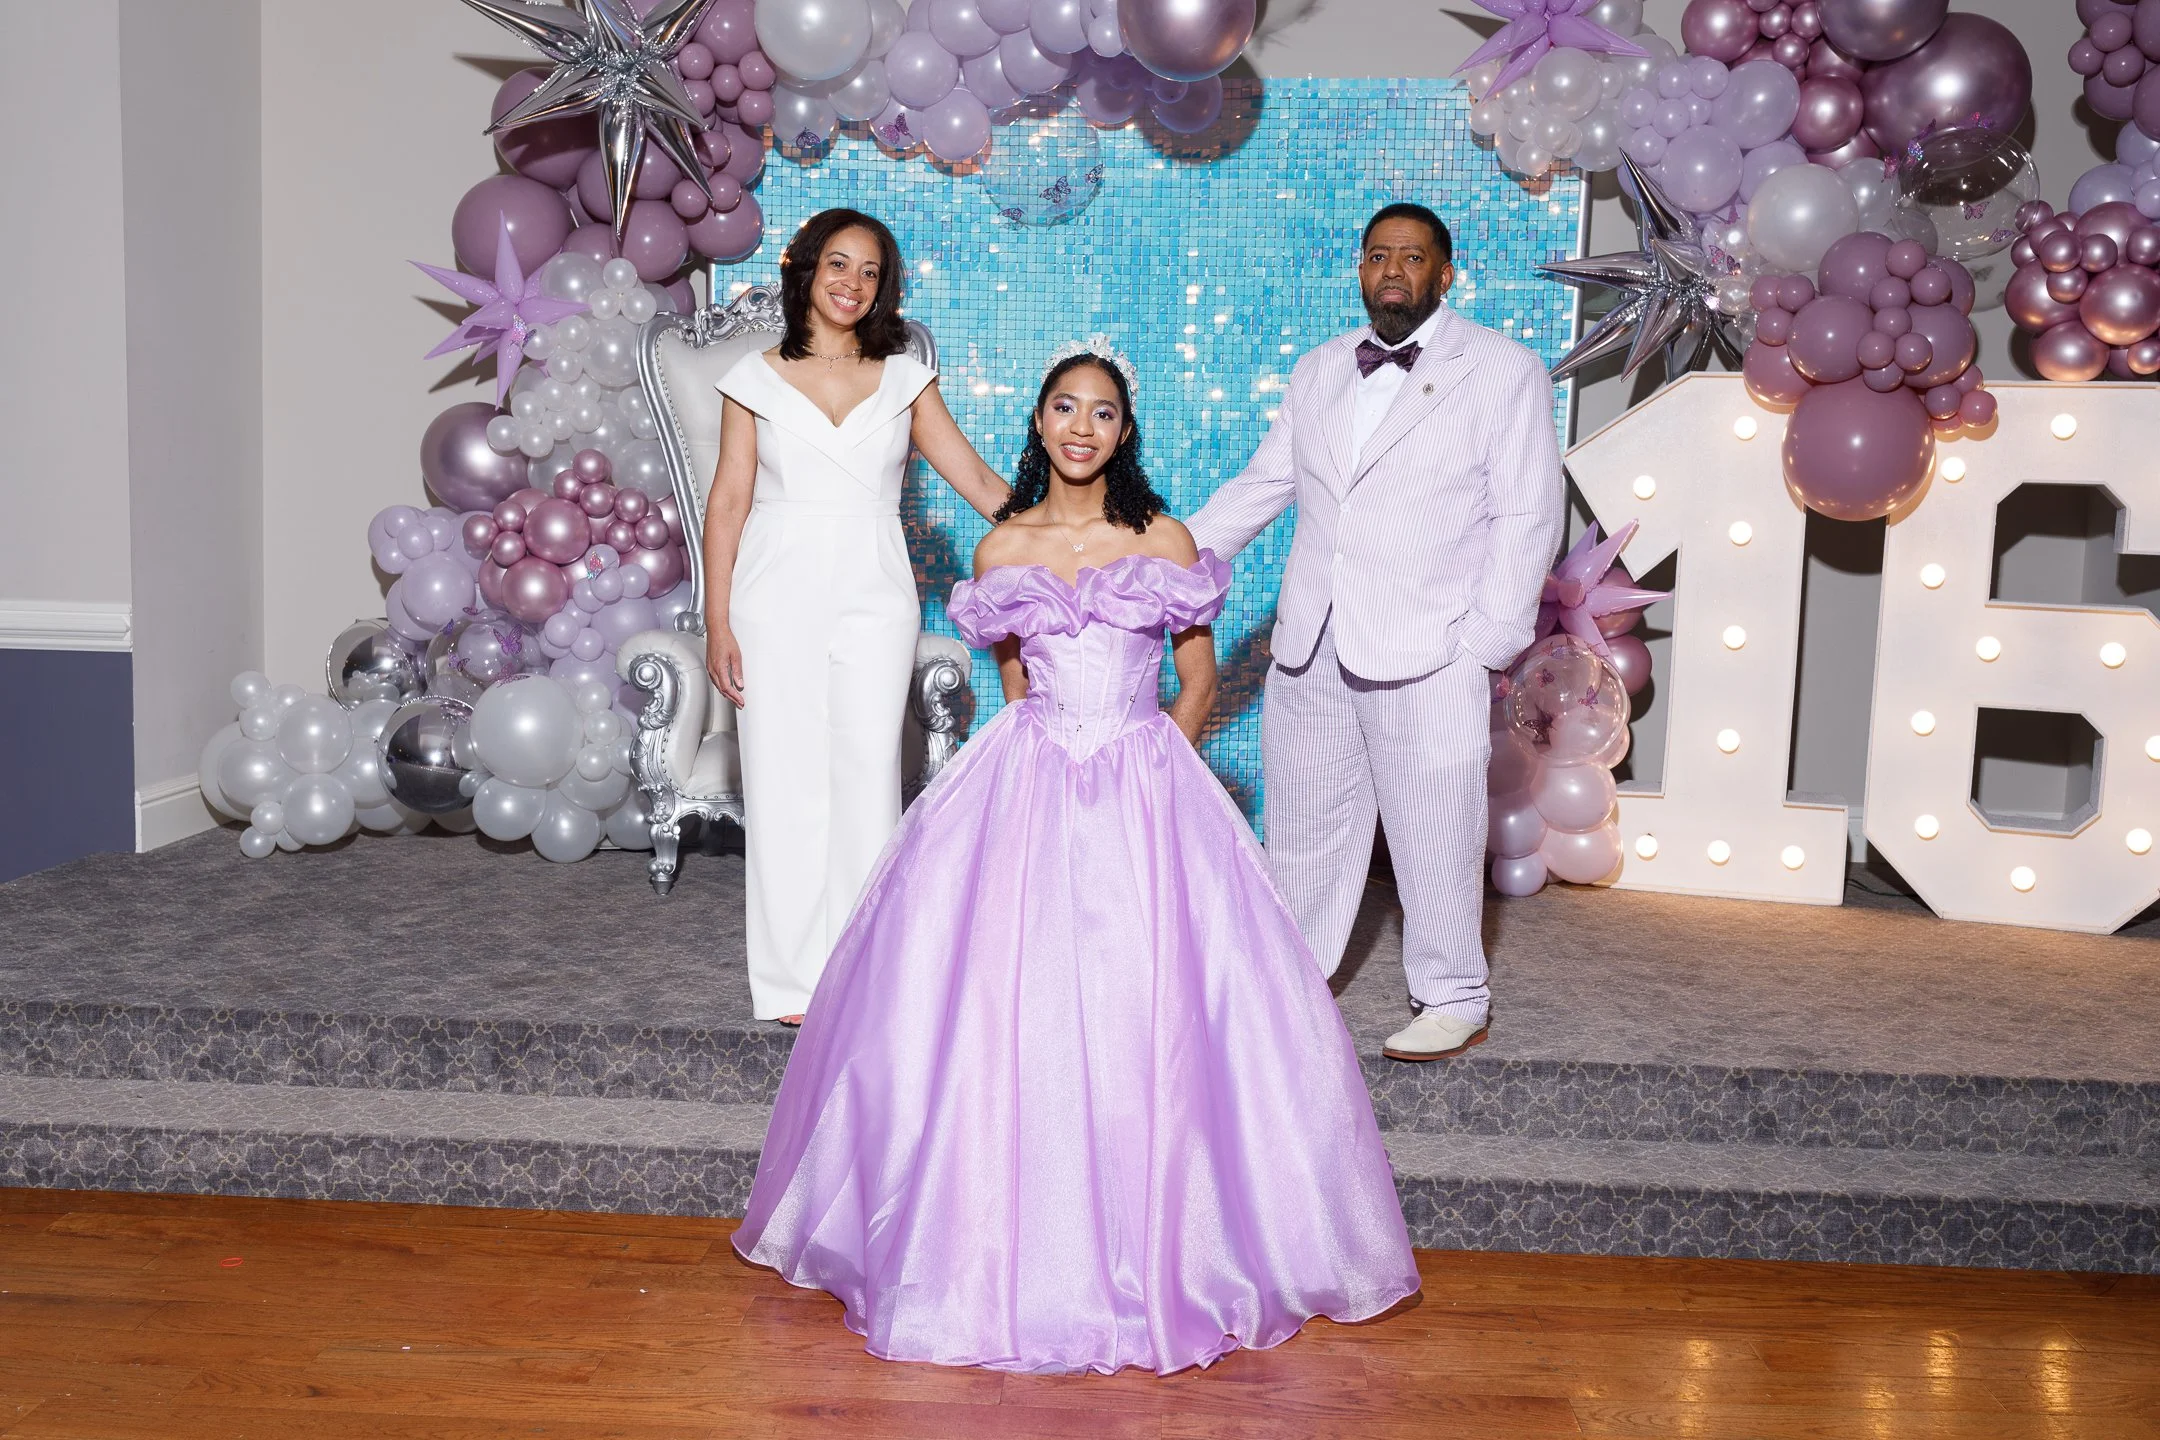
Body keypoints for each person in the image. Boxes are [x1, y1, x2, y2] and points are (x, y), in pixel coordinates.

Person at [732, 342, 1419, 1375]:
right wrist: (1043, 769)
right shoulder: (1001, 548)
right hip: (1027, 774)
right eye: (1066, 408)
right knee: (1010, 1004)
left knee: (1161, 1008)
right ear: (1041, 424)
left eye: (1103, 412)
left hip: (1145, 779)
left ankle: (1180, 1248)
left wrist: (1159, 767)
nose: (1083, 427)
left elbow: (1196, 677)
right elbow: (1012, 684)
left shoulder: (1165, 537)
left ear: (1122, 431)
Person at [1188, 202, 1564, 1063]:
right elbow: (1262, 485)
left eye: (1412, 257)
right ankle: (1292, 978)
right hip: (1312, 643)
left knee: (1435, 831)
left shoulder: (1502, 370)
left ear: (1445, 272)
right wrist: (1162, 558)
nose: (1393, 271)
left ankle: (1453, 994)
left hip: (1433, 648)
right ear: (1359, 269)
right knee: (1307, 831)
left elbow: (1529, 514)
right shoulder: (1320, 369)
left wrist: (1484, 644)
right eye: (1377, 257)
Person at [703, 209, 1009, 1024]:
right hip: (773, 589)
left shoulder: (906, 378)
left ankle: (864, 967)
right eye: (839, 264)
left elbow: (977, 482)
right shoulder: (752, 378)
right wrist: (717, 621)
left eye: (870, 272)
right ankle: (790, 981)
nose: (852, 283)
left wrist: (1075, 533)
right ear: (803, 267)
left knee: (868, 773)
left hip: (876, 589)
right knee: (781, 777)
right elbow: (728, 500)